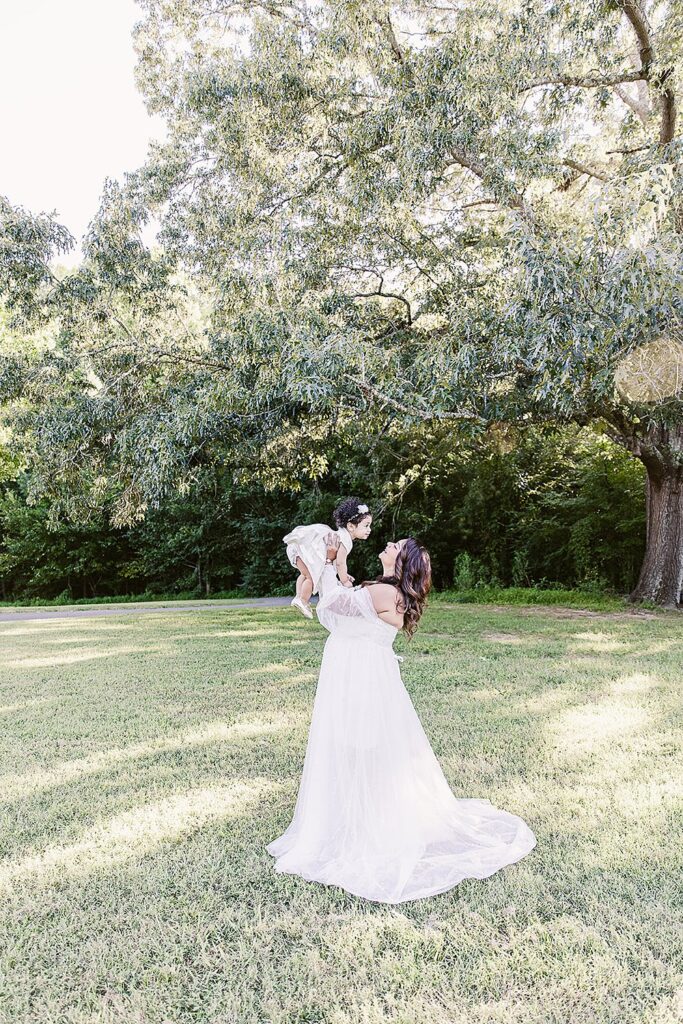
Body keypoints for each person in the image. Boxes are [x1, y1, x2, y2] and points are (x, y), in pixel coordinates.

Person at [266, 533, 536, 904]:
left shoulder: (383, 593)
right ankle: (365, 815)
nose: (389, 544)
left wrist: (328, 562)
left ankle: (365, 824)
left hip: (358, 677)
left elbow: (329, 609)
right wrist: (340, 574)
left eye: (397, 546)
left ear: (402, 562)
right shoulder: (385, 590)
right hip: (364, 673)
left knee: (356, 744)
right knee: (369, 746)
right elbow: (347, 608)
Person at [282, 497, 373, 618]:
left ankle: (299, 597)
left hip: (299, 550)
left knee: (305, 575)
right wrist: (344, 580)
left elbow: (334, 563)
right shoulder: (345, 540)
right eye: (366, 526)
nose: (369, 529)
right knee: (311, 579)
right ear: (351, 526)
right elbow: (341, 563)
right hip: (303, 551)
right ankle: (303, 600)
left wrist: (345, 575)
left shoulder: (339, 535)